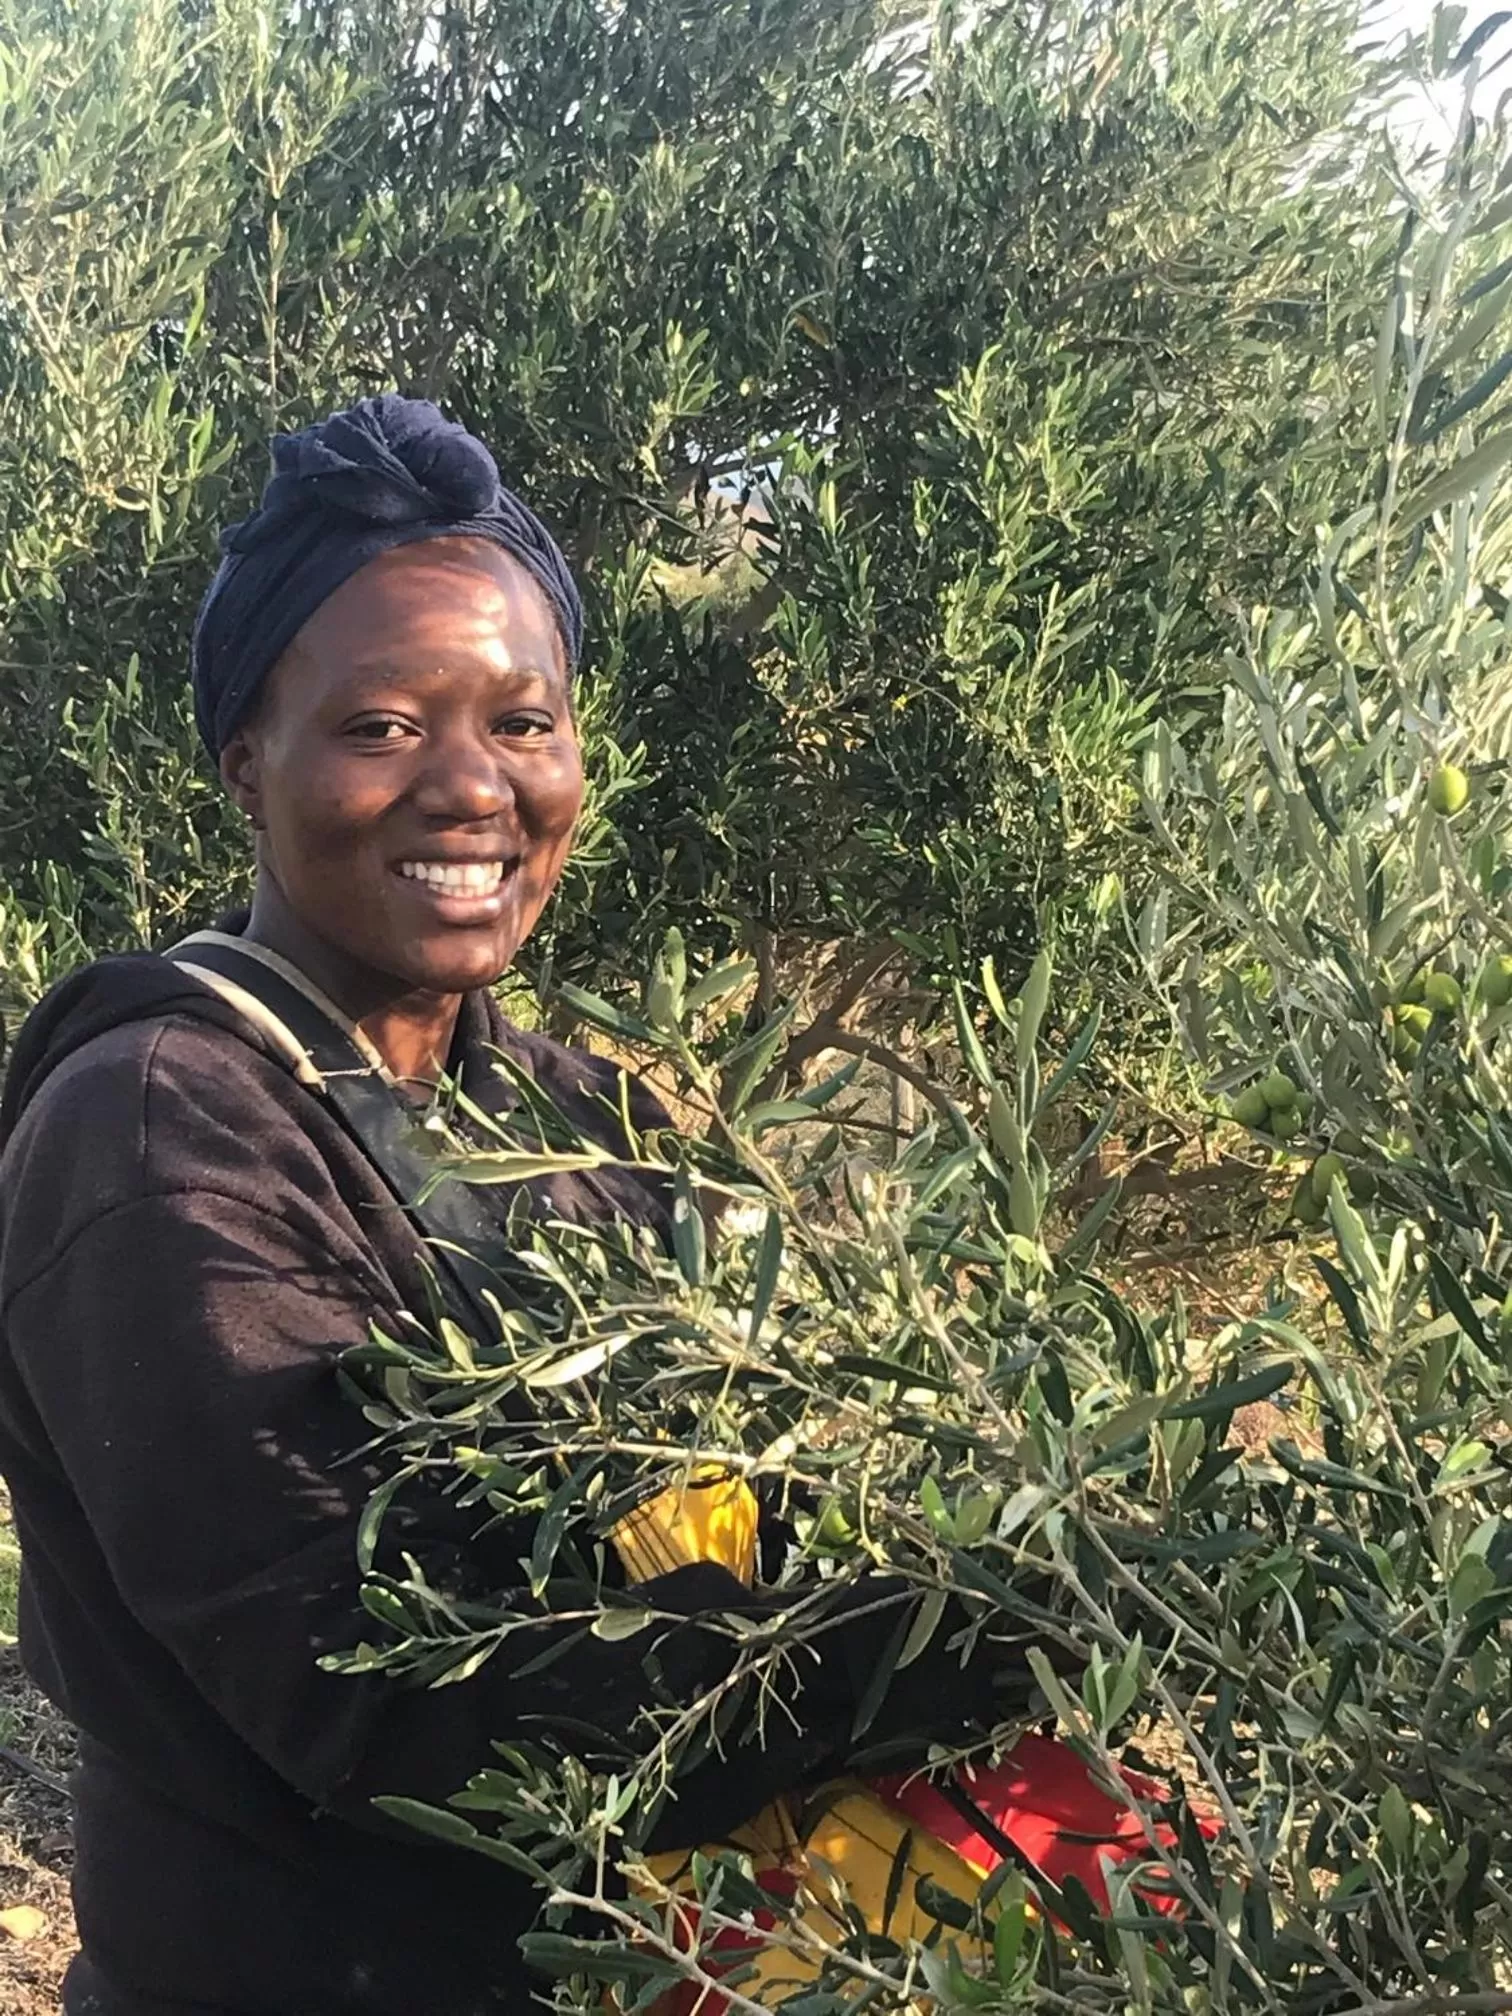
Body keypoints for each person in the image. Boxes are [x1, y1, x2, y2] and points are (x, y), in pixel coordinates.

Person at [0, 398, 1025, 2015]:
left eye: (523, 723)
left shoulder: (567, 1108)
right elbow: (396, 1704)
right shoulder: (154, 1136)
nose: (472, 788)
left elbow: (760, 1494)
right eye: (383, 727)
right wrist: (962, 1621)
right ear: (243, 762)